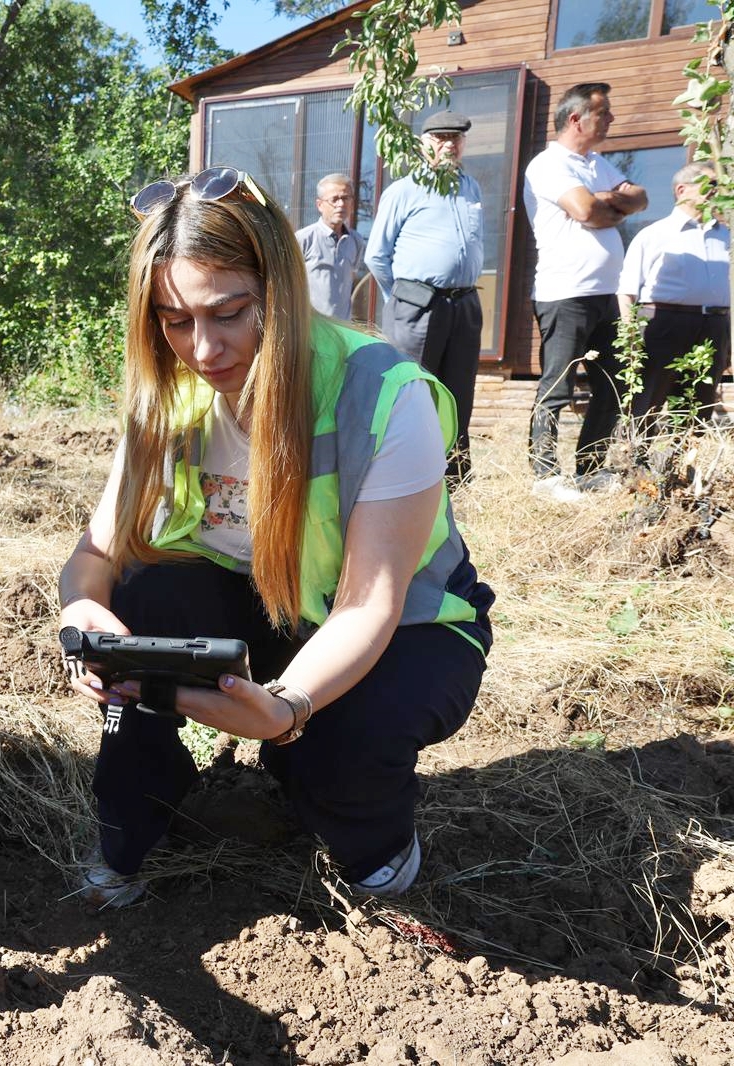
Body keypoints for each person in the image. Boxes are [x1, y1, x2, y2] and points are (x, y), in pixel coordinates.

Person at [58, 166, 494, 908]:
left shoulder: (383, 393)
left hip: (402, 624)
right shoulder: (169, 395)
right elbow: (96, 555)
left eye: (229, 314)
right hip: (255, 600)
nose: (203, 350)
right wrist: (83, 611)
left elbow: (370, 604)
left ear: (279, 290)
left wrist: (286, 709)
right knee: (142, 603)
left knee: (338, 742)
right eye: (174, 320)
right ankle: (130, 833)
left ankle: (373, 843)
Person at [523, 82, 648, 501]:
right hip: (565, 292)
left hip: (606, 294)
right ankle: (545, 476)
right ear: (576, 119)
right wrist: (609, 204)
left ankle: (589, 469)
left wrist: (609, 201)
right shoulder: (548, 163)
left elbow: (641, 197)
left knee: (611, 385)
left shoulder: (596, 163)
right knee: (557, 385)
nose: (611, 118)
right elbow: (586, 210)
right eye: (604, 112)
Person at [366, 111, 484, 483]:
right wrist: (403, 297)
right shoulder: (404, 190)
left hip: (464, 303)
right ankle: (404, 477)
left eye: (456, 138)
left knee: (459, 393)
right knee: (413, 392)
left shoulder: (471, 187)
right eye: (440, 138)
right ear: (423, 143)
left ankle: (454, 479)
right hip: (416, 304)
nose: (449, 144)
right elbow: (377, 255)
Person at [616, 161, 730, 434]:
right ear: (681, 190)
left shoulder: (727, 236)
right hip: (663, 324)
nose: (715, 191)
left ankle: (684, 458)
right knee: (648, 400)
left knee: (698, 404)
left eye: (719, 185)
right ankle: (636, 457)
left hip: (714, 326)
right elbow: (627, 289)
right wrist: (630, 339)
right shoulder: (654, 234)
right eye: (709, 184)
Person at [295, 173, 365, 321]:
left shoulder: (356, 241)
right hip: (311, 325)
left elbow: (351, 279)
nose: (341, 204)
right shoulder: (303, 239)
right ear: (320, 205)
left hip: (343, 327)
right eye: (334, 199)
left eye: (345, 198)